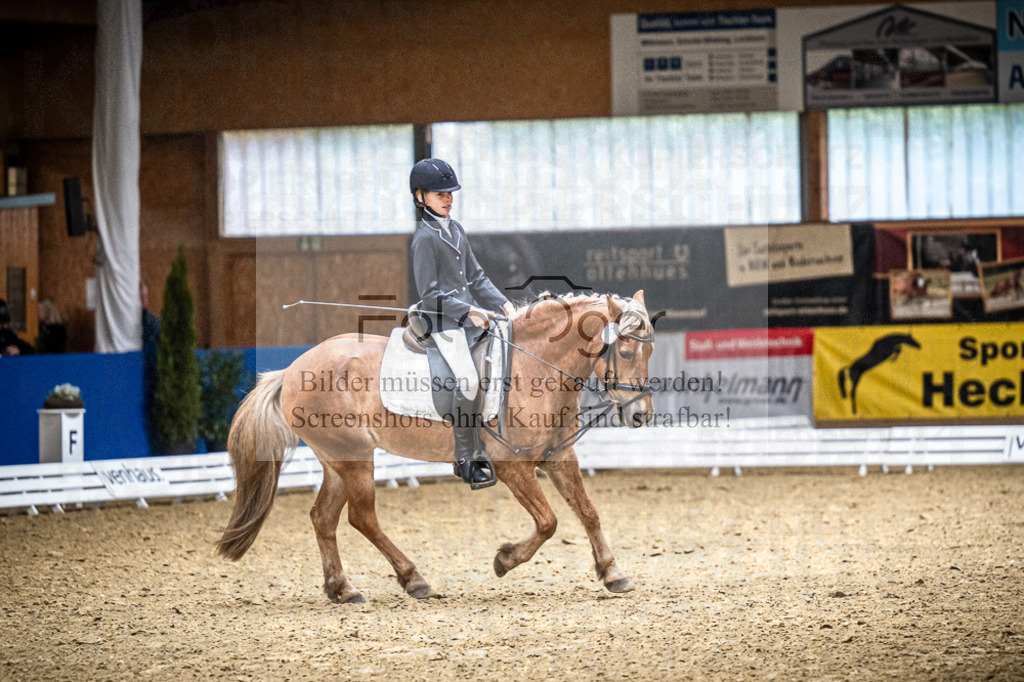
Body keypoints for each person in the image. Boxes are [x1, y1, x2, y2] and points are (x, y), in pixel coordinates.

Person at [409, 158, 515, 488]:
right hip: (441, 323)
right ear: (420, 196)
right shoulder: (424, 238)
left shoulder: (456, 230)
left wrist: (504, 303)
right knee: (468, 381)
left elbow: (477, 277)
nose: (447, 198)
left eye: (449, 192)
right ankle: (466, 457)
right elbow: (429, 295)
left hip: (467, 320)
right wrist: (469, 311)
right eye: (439, 193)